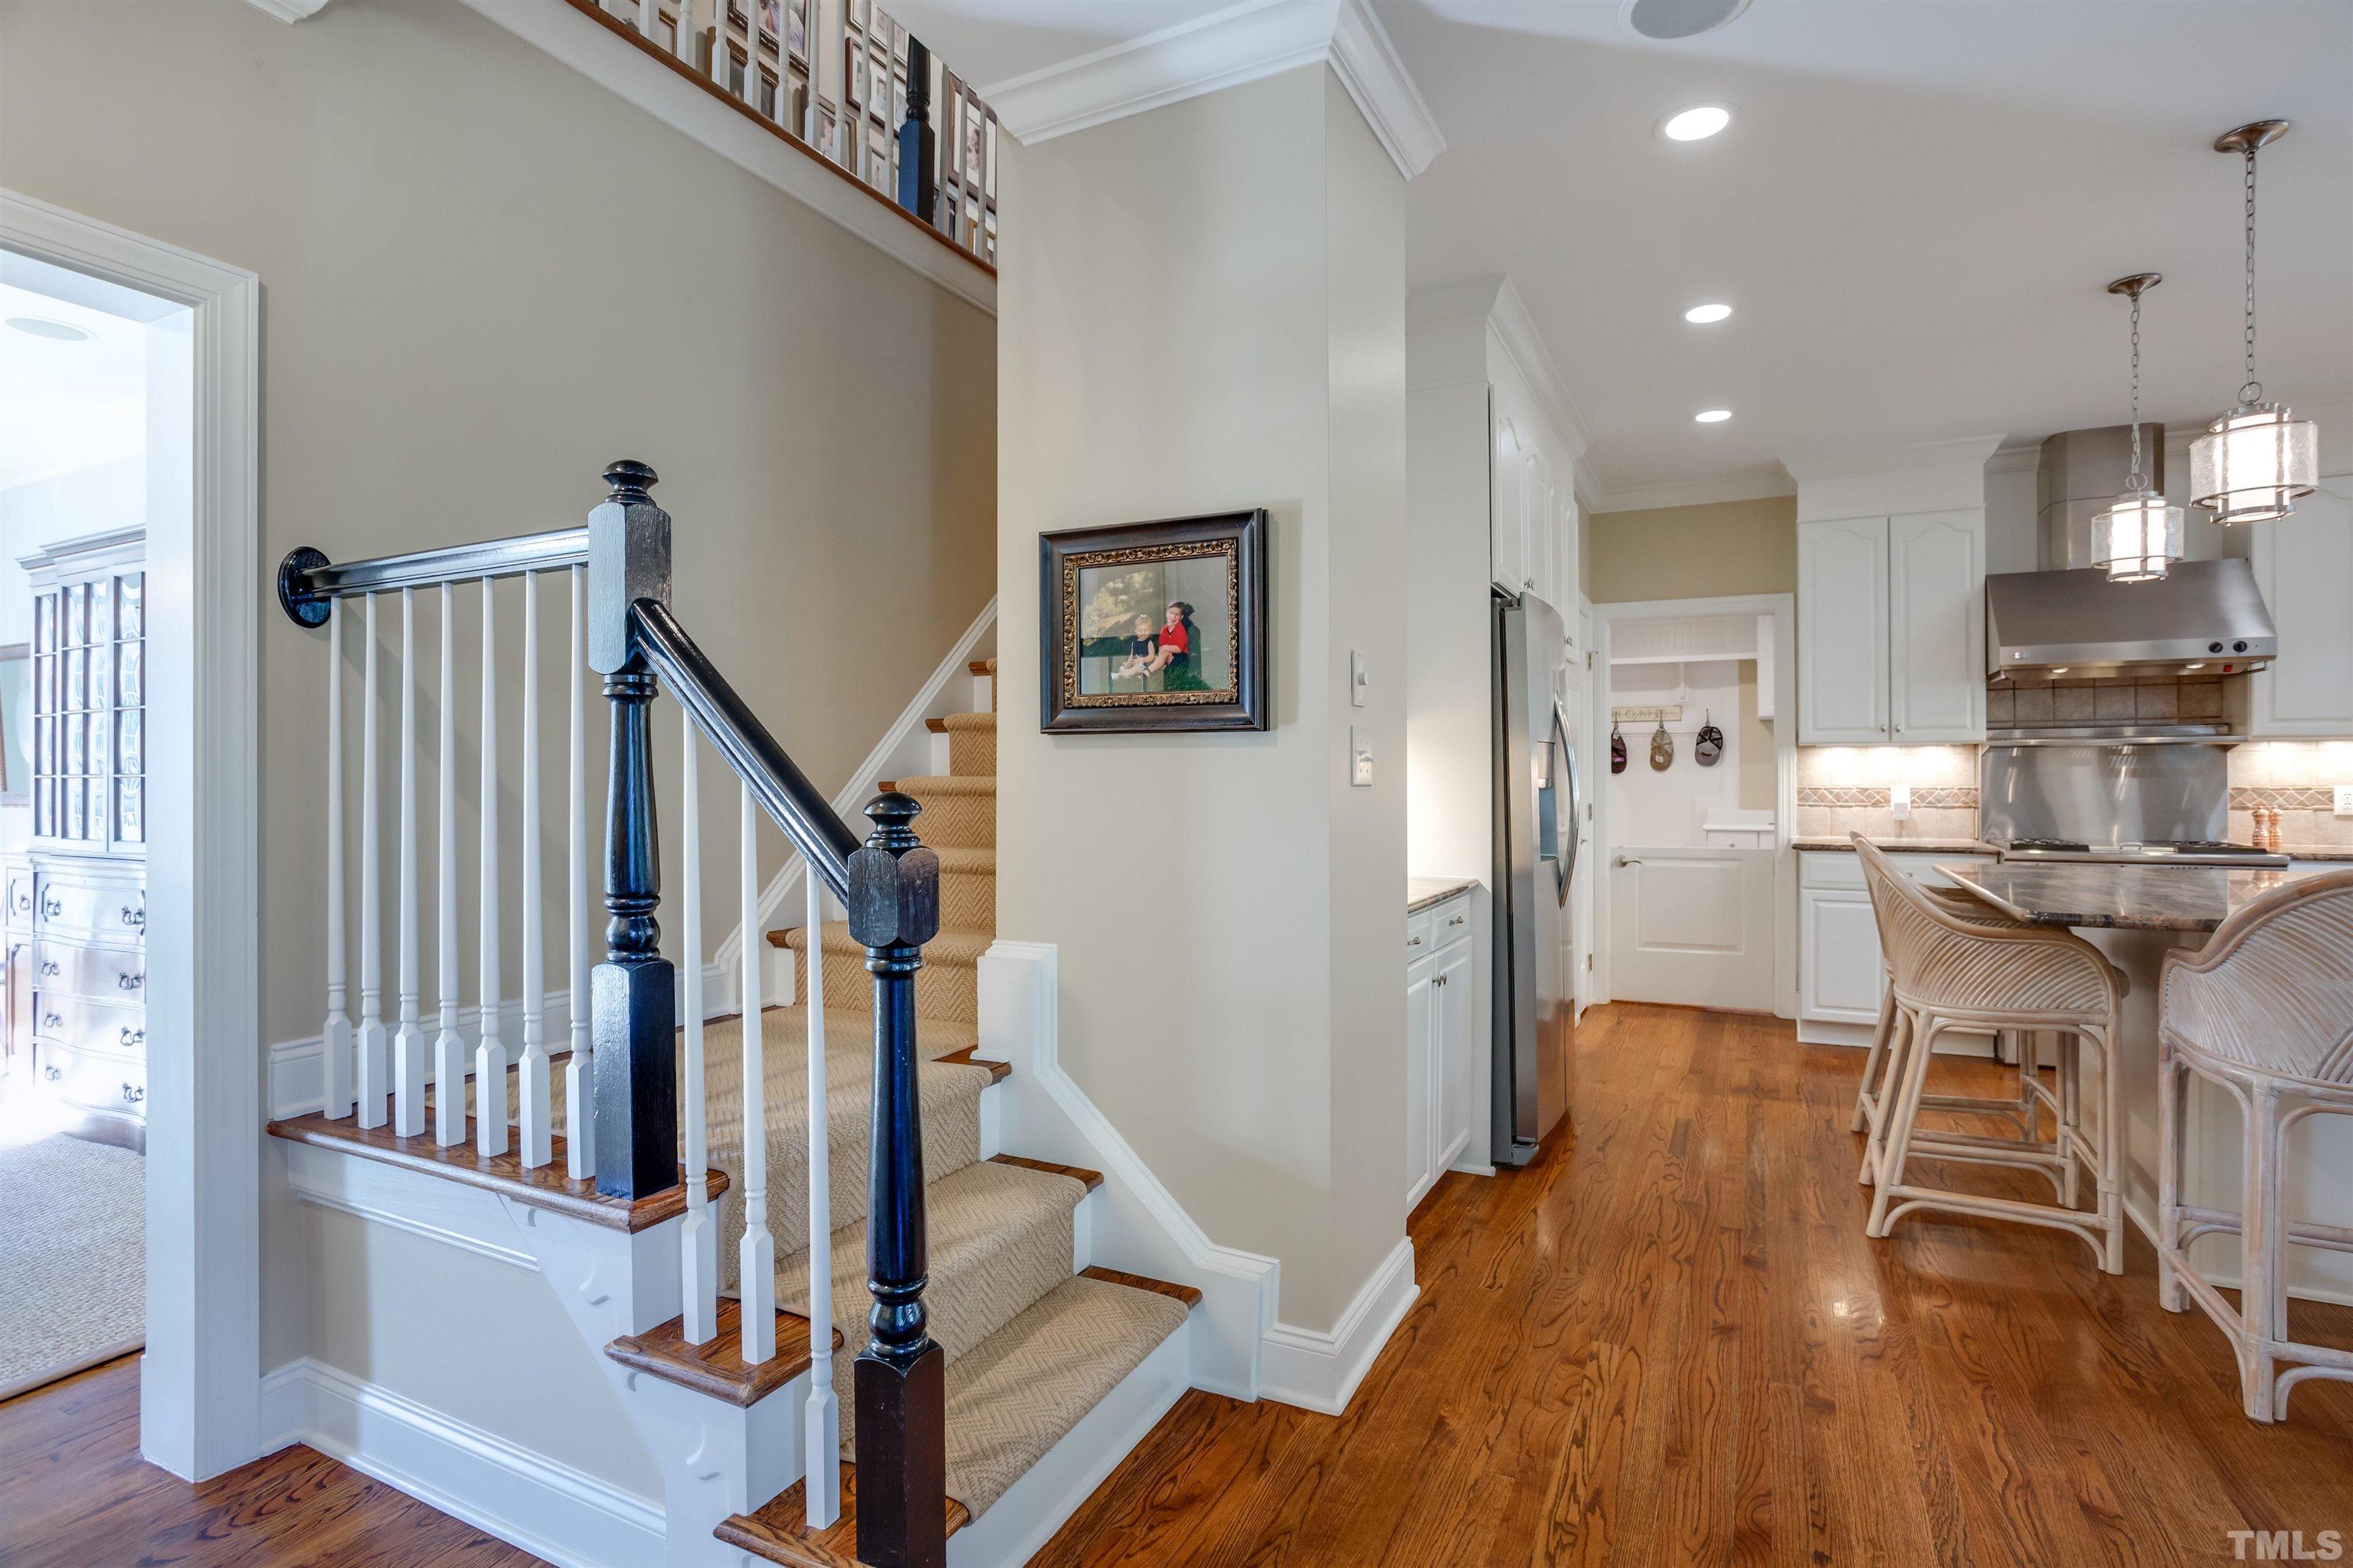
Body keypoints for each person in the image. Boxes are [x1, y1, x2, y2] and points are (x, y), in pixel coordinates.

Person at [1111, 614, 1157, 680]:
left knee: (1138, 667)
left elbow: (1151, 657)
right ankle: (1126, 673)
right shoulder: (1134, 643)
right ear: (1136, 631)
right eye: (1140, 631)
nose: (1143, 633)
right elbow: (1132, 655)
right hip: (1136, 662)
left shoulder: (1149, 643)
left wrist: (1141, 660)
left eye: (1146, 630)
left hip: (1145, 665)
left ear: (1150, 630)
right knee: (1124, 667)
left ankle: (1121, 675)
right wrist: (1129, 663)